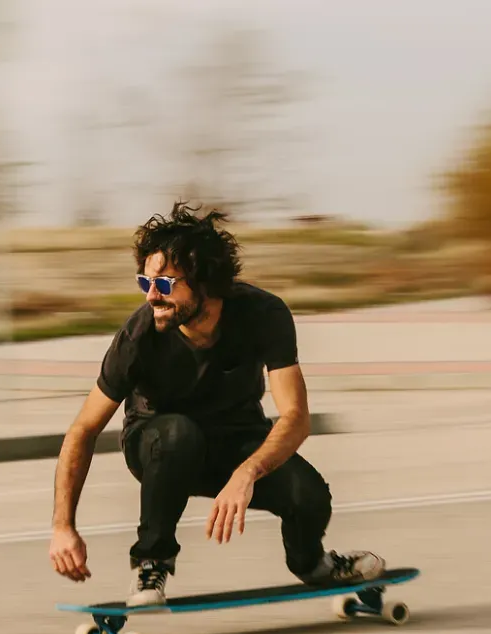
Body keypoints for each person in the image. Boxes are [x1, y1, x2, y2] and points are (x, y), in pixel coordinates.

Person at [49, 202, 385, 606]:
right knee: (178, 434)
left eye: (165, 285)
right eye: (145, 282)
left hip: (237, 442)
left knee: (309, 494)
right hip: (158, 445)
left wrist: (247, 473)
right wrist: (63, 526)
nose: (151, 296)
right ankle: (150, 566)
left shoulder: (264, 314)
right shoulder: (138, 338)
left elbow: (296, 418)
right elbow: (83, 429)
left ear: (204, 283)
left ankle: (313, 564)